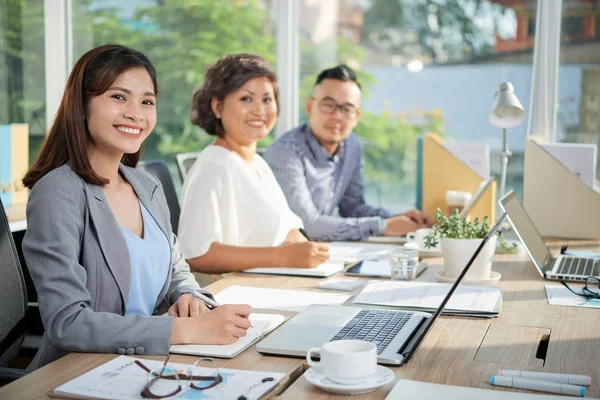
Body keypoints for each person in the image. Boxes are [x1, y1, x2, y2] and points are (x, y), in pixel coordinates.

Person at [21, 44, 251, 369]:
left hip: (149, 364)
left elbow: (176, 269)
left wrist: (188, 297)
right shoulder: (58, 192)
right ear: (82, 106)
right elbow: (67, 322)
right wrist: (183, 329)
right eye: (118, 97)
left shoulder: (146, 185)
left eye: (147, 101)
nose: (135, 113)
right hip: (77, 372)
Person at [178, 54, 329, 274]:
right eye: (246, 99)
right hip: (234, 294)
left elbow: (284, 228)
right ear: (218, 107)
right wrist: (282, 257)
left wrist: (309, 250)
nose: (260, 110)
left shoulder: (257, 163)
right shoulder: (215, 166)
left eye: (267, 99)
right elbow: (196, 255)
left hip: (270, 282)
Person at [264, 64, 433, 241]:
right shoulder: (285, 152)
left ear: (356, 117)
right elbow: (306, 225)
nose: (337, 116)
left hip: (321, 253)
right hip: (281, 257)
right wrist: (382, 225)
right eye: (328, 105)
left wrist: (396, 218)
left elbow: (352, 207)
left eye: (346, 109)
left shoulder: (352, 145)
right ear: (309, 107)